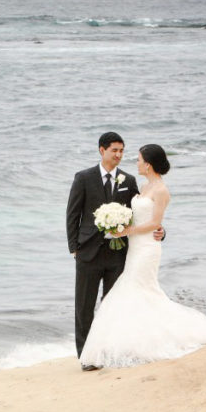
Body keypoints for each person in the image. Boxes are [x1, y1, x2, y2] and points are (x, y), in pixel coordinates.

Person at [78, 144, 206, 370]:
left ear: (148, 164)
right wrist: (120, 224)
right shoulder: (144, 186)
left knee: (136, 291)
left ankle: (141, 343)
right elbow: (136, 215)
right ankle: (133, 344)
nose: (135, 163)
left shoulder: (161, 190)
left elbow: (156, 223)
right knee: (137, 293)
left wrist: (128, 231)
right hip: (134, 248)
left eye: (138, 159)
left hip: (147, 249)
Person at [66, 132, 164, 371]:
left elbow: (144, 213)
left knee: (112, 306)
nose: (119, 155)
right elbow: (73, 214)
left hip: (118, 254)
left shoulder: (128, 180)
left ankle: (109, 351)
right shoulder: (83, 178)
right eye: (114, 151)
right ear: (102, 150)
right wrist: (74, 249)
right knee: (84, 307)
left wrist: (161, 231)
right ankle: (86, 357)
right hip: (88, 253)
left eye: (122, 151)